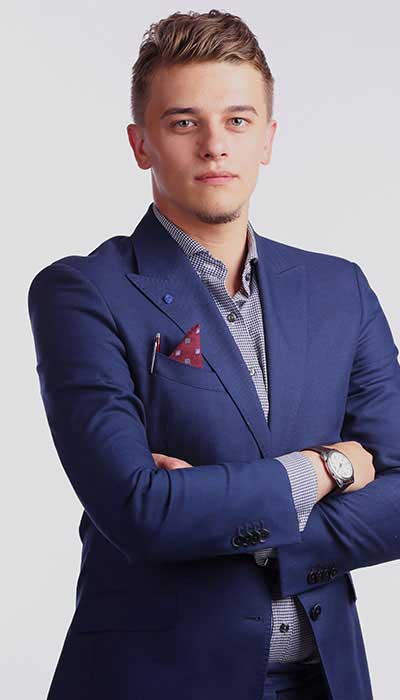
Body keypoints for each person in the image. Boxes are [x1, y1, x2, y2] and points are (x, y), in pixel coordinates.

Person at [27, 10, 400, 700]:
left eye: (237, 120)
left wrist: (213, 512)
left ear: (268, 139)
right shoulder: (82, 292)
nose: (214, 146)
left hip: (326, 680)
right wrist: (327, 468)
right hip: (156, 682)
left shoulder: (339, 290)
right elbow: (140, 510)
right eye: (183, 122)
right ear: (141, 144)